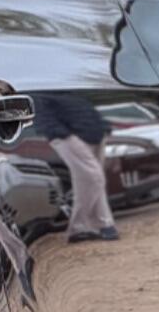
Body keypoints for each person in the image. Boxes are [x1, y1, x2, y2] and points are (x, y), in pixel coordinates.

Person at [36, 92, 118, 243]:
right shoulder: (42, 90)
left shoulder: (68, 87)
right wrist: (62, 134)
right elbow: (44, 116)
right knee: (94, 178)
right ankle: (83, 226)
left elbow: (86, 108)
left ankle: (99, 226)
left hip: (93, 135)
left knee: (90, 182)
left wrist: (102, 126)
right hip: (68, 136)